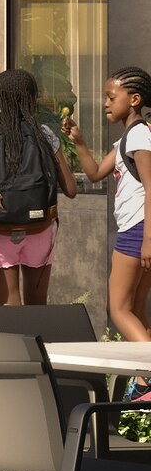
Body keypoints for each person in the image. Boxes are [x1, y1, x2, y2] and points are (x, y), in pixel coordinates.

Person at [0, 66, 72, 305]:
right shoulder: (45, 134)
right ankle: (41, 343)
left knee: (10, 310)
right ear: (32, 99)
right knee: (38, 306)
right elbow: (71, 188)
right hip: (40, 228)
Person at [104, 67, 151, 344]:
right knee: (135, 309)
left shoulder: (139, 136)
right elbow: (96, 171)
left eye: (111, 97)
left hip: (137, 229)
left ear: (134, 99)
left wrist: (147, 239)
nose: (106, 103)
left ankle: (148, 375)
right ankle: (144, 383)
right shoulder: (131, 137)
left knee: (119, 309)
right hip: (140, 230)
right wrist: (81, 142)